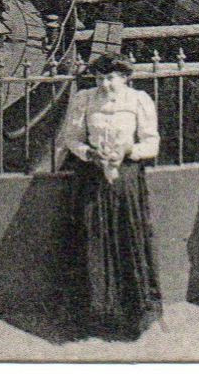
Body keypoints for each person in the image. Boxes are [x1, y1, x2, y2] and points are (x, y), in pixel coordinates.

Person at [55, 55, 164, 340]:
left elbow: (151, 142)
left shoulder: (139, 100)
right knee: (92, 237)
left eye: (111, 78)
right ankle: (94, 314)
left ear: (125, 78)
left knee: (128, 238)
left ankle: (129, 315)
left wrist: (129, 151)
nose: (105, 84)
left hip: (126, 179)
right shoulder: (84, 99)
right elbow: (71, 137)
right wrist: (89, 153)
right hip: (92, 178)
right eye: (100, 78)